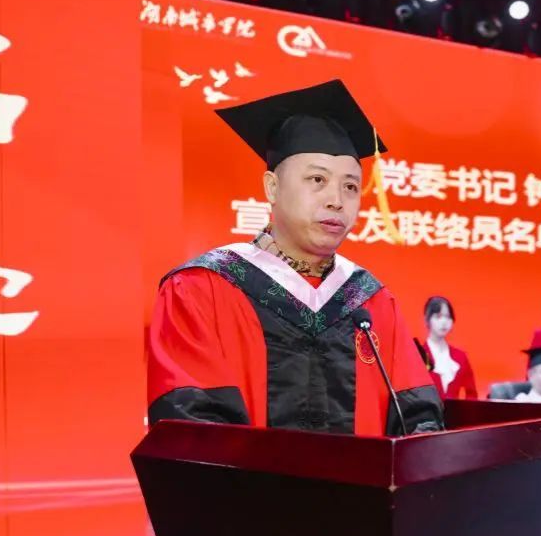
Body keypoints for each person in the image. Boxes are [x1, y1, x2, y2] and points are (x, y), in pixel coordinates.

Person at [147, 80, 443, 436]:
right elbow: (191, 428)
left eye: (350, 186)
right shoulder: (202, 289)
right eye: (317, 179)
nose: (336, 200)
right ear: (272, 188)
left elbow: (417, 417)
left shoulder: (371, 301)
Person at [422, 296, 476, 400]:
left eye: (448, 317)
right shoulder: (419, 355)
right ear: (428, 319)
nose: (444, 322)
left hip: (456, 411)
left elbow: (472, 395)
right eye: (438, 316)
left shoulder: (460, 357)